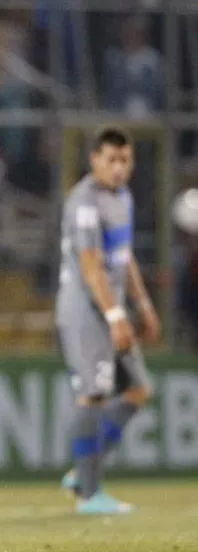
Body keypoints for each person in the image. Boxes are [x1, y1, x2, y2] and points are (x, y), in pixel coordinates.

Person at [55, 127, 161, 514]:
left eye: (125, 160)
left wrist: (144, 305)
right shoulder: (83, 202)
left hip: (112, 310)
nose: (119, 168)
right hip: (85, 312)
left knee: (139, 390)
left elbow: (124, 257)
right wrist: (116, 316)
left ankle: (84, 471)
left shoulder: (123, 198)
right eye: (111, 160)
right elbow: (90, 266)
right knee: (94, 395)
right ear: (94, 160)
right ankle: (88, 494)